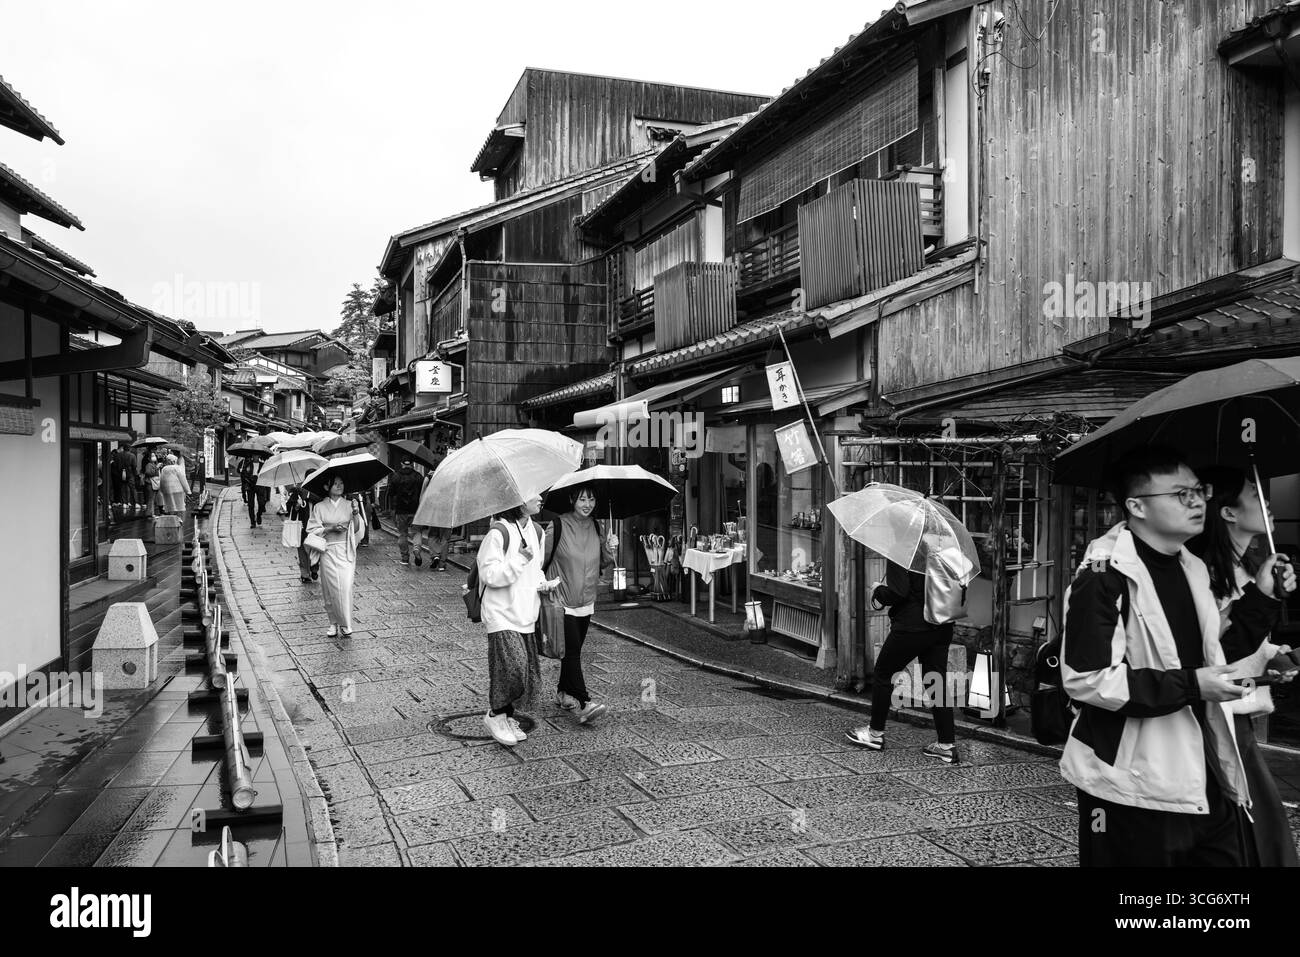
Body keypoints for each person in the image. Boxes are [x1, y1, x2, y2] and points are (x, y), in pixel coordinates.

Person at [1060, 445, 1293, 867]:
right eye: (1180, 494)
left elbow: (1216, 654)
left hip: (1206, 766)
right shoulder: (1102, 576)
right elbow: (1088, 679)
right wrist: (1192, 684)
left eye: (1198, 492)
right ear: (1137, 506)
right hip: (1132, 780)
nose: (1197, 502)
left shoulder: (1192, 567)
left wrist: (1263, 597)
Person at [1191, 466, 1300, 866]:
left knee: (1260, 828)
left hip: (1237, 720)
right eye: (1254, 495)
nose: (1266, 500)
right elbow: (1214, 653)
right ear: (1228, 512)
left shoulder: (1246, 568)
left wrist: (1272, 656)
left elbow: (1244, 648)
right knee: (1247, 830)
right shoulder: (1200, 573)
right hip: (1209, 722)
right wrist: (1262, 598)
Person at [846, 558, 959, 763]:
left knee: (883, 673)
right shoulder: (946, 550)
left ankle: (875, 734)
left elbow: (898, 593)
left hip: (912, 625)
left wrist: (878, 589)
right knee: (935, 680)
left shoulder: (904, 551)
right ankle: (946, 744)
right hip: (942, 624)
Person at [477, 494, 554, 747]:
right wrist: (519, 559)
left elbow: (537, 568)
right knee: (512, 669)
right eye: (534, 493)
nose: (540, 498)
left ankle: (506, 715)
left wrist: (542, 583)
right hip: (501, 613)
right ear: (518, 500)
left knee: (526, 675)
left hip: (525, 612)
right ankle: (495, 716)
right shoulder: (498, 533)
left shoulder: (538, 531)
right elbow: (489, 574)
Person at [539, 484, 617, 724]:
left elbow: (604, 561)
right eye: (582, 499)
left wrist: (611, 547)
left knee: (573, 650)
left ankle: (563, 692)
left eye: (591, 500)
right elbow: (541, 559)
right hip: (561, 600)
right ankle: (584, 702)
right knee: (572, 650)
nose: (587, 504)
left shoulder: (596, 526)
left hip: (586, 600)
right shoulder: (558, 525)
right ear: (573, 500)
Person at [306, 476, 365, 637]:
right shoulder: (319, 507)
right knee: (329, 588)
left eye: (341, 483)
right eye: (335, 484)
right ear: (327, 487)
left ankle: (346, 623)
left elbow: (357, 529)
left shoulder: (349, 504)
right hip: (328, 550)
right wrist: (330, 528)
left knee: (345, 587)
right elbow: (312, 529)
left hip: (345, 550)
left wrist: (355, 513)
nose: (339, 486)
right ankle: (333, 623)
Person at [386, 459, 425, 567]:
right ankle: (416, 549)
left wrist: (392, 507)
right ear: (412, 464)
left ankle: (405, 558)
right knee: (417, 532)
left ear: (401, 463)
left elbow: (390, 493)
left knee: (403, 534)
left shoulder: (396, 476)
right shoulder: (418, 476)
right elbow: (423, 491)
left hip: (400, 510)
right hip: (416, 509)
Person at [286, 472, 320, 584]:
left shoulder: (319, 490)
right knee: (302, 549)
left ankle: (314, 568)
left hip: (316, 526)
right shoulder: (298, 491)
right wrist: (297, 505)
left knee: (315, 547)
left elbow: (321, 501)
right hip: (302, 525)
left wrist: (308, 495)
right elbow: (288, 506)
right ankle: (304, 573)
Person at [240, 457, 269, 527]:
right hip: (250, 485)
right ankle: (252, 521)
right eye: (254, 455)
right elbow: (243, 474)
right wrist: (247, 476)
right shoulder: (247, 464)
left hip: (260, 485)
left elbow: (266, 475)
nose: (255, 456)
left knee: (262, 503)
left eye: (257, 455)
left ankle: (259, 515)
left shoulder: (263, 465)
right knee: (251, 504)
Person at [142, 451, 163, 516]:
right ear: (148, 458)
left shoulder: (154, 464)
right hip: (150, 483)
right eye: (152, 456)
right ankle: (150, 513)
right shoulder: (149, 465)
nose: (154, 457)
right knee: (151, 499)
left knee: (152, 499)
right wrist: (156, 468)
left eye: (154, 456)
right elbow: (148, 473)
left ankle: (151, 513)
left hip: (154, 483)